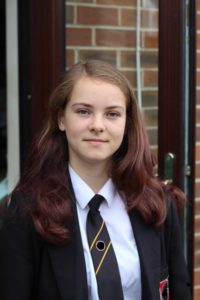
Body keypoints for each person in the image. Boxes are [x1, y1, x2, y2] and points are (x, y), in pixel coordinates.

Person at [0, 59, 191, 300]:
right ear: (61, 118)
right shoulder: (26, 210)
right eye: (83, 111)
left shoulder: (157, 203)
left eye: (112, 114)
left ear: (126, 123)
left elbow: (179, 292)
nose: (97, 126)